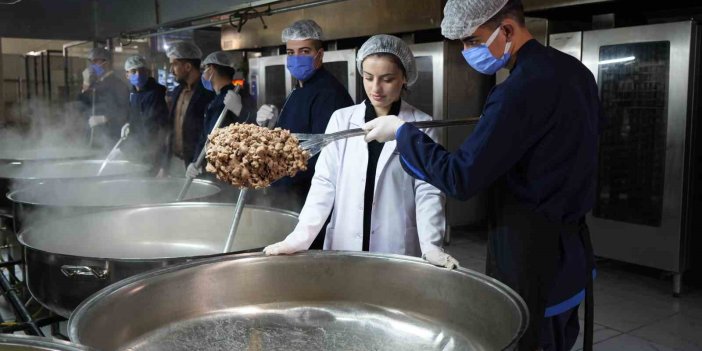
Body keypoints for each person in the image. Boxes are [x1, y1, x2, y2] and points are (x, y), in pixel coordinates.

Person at [362, 1, 601, 350]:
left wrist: (401, 133)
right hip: (573, 252)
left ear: (506, 29)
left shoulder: (515, 93)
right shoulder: (575, 72)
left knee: (526, 337)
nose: (466, 52)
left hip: (533, 258)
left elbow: (461, 178)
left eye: (473, 41)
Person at [263, 35, 458, 270]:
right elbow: (325, 183)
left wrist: (431, 245)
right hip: (345, 240)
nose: (376, 88)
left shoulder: (421, 125)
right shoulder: (342, 119)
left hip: (395, 244)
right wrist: (299, 238)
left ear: (404, 77)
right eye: (368, 78)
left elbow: (428, 192)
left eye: (387, 79)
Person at [259, 19, 354, 207]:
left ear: (319, 55)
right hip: (286, 192)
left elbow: (322, 156)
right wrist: (272, 127)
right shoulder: (299, 88)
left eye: (304, 51)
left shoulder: (329, 94)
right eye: (290, 53)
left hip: (308, 198)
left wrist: (272, 171)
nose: (296, 58)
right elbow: (295, 136)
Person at [186, 51, 255, 178]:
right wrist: (196, 161)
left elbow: (254, 131)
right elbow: (206, 136)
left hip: (232, 171)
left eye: (205, 68)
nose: (203, 73)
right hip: (213, 168)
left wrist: (240, 111)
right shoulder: (214, 101)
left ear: (211, 69)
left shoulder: (239, 96)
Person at [160, 41, 215, 175]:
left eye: (174, 64)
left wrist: (199, 162)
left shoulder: (208, 94)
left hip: (196, 166)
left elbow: (209, 133)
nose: (171, 70)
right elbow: (171, 131)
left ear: (188, 66)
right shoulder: (178, 91)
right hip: (175, 162)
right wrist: (164, 166)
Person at [119, 55, 169, 173]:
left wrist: (163, 161)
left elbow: (159, 127)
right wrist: (129, 125)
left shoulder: (156, 93)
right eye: (133, 71)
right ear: (127, 75)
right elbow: (136, 117)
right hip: (139, 149)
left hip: (152, 151)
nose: (138, 74)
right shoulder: (133, 93)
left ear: (148, 72)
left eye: (142, 71)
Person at [78, 47, 129, 148]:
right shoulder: (95, 83)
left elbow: (126, 110)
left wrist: (105, 118)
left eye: (96, 61)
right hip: (95, 137)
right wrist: (86, 83)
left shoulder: (118, 84)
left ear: (107, 63)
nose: (92, 66)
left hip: (111, 137)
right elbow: (82, 105)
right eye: (91, 62)